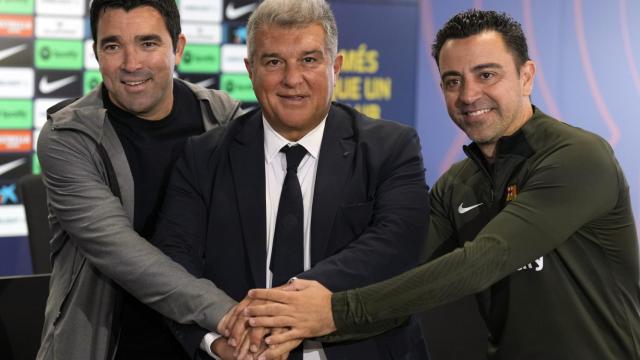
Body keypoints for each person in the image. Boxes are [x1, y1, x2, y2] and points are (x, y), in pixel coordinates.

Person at [243, 9, 640, 360]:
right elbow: (401, 283)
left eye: (486, 74)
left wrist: (333, 312)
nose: (469, 95)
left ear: (526, 76)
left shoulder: (578, 157)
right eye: (453, 81)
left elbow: (487, 258)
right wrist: (289, 323)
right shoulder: (457, 185)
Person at [152, 0, 430, 359]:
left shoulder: (390, 148)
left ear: (336, 66)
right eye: (273, 62)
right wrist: (219, 343)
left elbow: (397, 244)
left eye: (309, 60)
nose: (292, 79)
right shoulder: (202, 157)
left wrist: (278, 308)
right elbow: (174, 265)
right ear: (250, 70)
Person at [35, 1, 246, 359]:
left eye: (148, 43)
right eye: (113, 45)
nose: (131, 64)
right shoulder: (66, 136)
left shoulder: (222, 118)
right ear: (96, 52)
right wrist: (229, 315)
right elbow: (123, 254)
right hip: (107, 346)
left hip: (209, 344)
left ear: (177, 47)